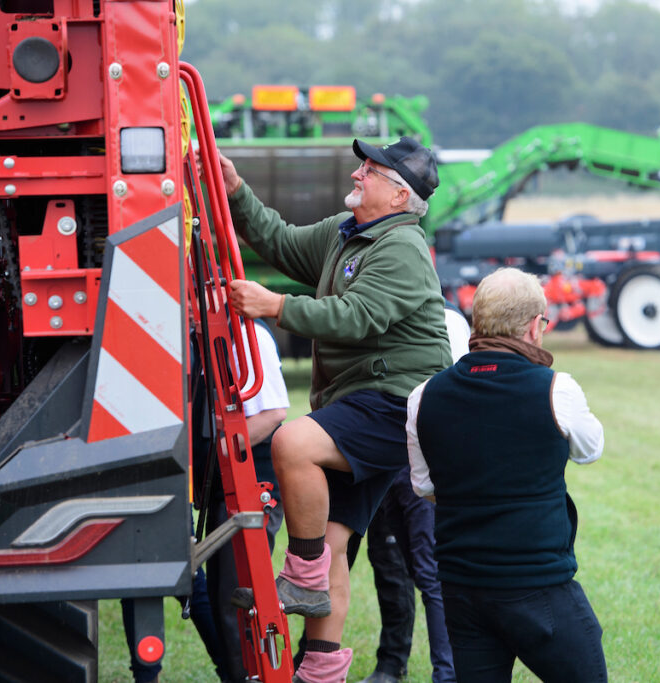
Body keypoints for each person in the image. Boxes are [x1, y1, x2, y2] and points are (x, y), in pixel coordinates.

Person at [218, 135, 451, 682]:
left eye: (368, 170)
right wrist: (236, 192)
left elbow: (357, 315)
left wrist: (275, 305)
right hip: (362, 400)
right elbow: (280, 241)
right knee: (335, 541)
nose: (356, 175)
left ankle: (301, 574)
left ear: (398, 196)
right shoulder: (347, 234)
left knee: (291, 442)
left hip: (397, 404)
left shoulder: (402, 247)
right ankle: (321, 669)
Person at [406, 267, 607, 683]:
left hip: (461, 585)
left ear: (476, 321)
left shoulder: (424, 395)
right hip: (538, 582)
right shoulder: (555, 388)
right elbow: (591, 450)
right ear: (535, 326)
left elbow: (425, 486)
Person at [357, 302, 468, 683]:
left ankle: (448, 673)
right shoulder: (371, 309)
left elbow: (455, 390)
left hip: (422, 455)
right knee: (386, 560)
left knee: (429, 569)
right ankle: (391, 663)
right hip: (377, 451)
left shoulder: (447, 320)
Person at [203, 317, 289, 682]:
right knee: (219, 592)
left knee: (235, 597)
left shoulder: (248, 336)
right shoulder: (214, 335)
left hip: (253, 478)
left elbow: (274, 413)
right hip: (227, 478)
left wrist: (218, 452)